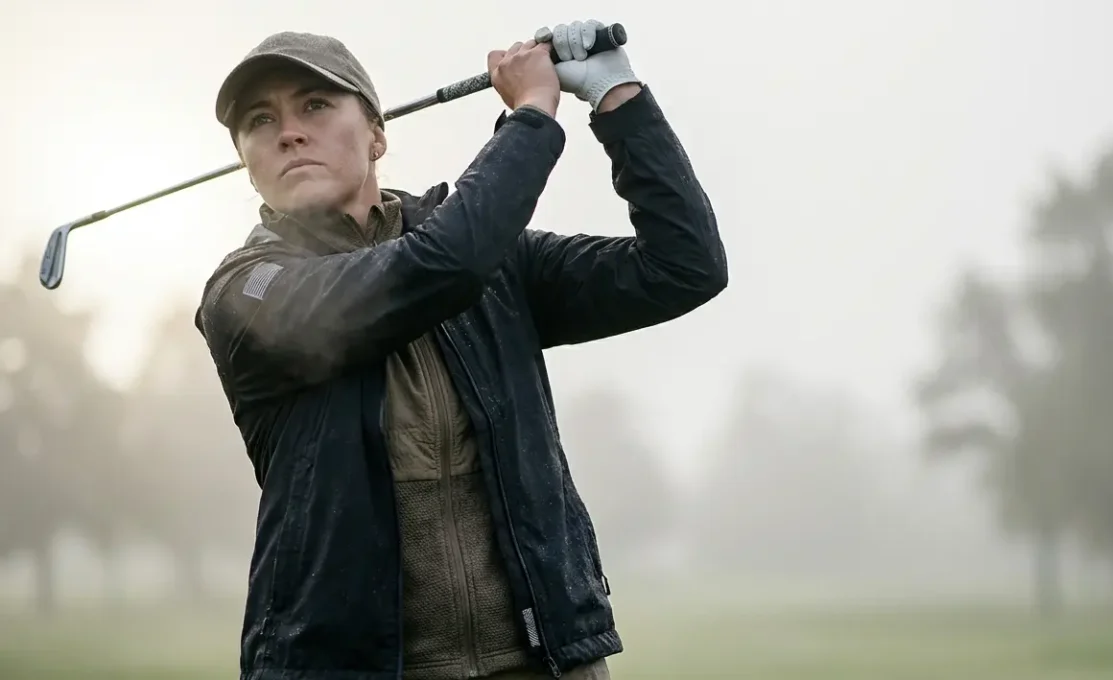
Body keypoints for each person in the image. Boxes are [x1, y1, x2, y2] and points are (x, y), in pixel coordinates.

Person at [194, 19, 726, 680]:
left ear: (377, 134)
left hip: (542, 664)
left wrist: (618, 96)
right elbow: (440, 267)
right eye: (259, 120)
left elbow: (684, 267)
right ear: (248, 159)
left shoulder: (497, 264)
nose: (288, 131)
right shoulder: (246, 292)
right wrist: (532, 115)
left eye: (315, 105)